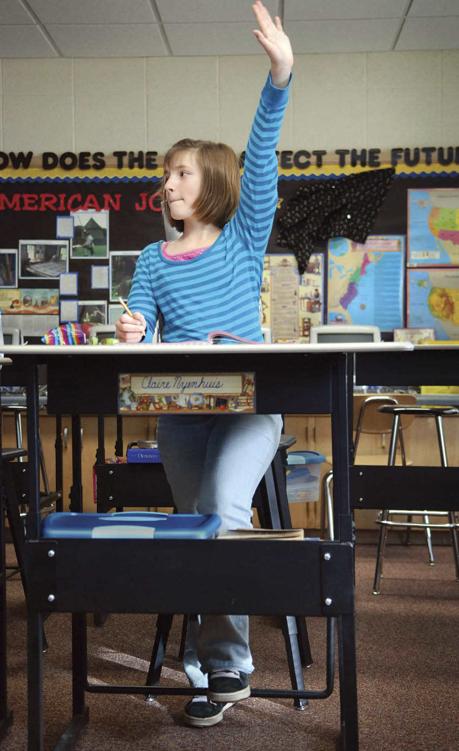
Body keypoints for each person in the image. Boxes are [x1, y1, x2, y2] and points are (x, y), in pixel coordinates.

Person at [116, 0, 293, 728]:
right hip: (183, 412)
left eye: (181, 173)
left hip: (248, 409)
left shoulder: (244, 233)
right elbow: (139, 322)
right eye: (165, 175)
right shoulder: (154, 259)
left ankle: (226, 665)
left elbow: (263, 150)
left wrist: (279, 76)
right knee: (196, 526)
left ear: (212, 181)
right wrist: (130, 329)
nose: (169, 184)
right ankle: (203, 662)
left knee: (220, 511)